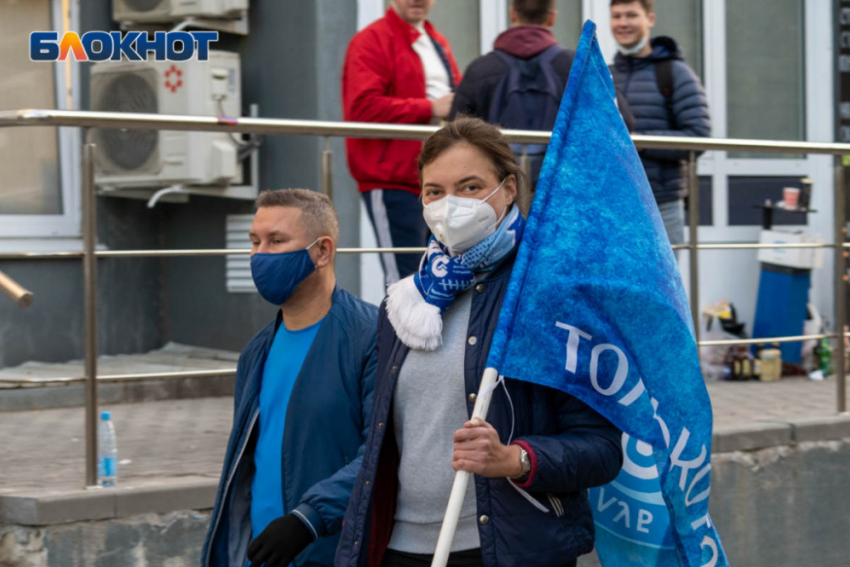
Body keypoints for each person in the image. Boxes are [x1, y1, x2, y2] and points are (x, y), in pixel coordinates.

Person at [335, 117, 623, 567]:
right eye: (435, 191)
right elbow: (378, 444)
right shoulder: (405, 303)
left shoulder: (550, 296)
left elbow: (601, 450)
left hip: (500, 548)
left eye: (470, 187)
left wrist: (515, 459)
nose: (450, 204)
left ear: (508, 188)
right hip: (397, 549)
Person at [201, 189, 378, 567]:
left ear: (323, 251)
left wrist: (307, 519)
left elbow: (383, 453)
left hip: (329, 552)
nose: (260, 254)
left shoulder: (372, 338)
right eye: (254, 241)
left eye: (276, 241)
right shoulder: (256, 351)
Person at [343, 0, 462, 285]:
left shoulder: (435, 39)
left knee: (436, 279)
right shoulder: (371, 40)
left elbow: (455, 100)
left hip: (437, 180)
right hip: (393, 180)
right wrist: (430, 108)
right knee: (404, 283)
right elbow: (362, 107)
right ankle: (396, 333)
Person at [608, 0, 711, 254]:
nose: (623, 23)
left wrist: (638, 142)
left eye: (631, 15)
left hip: (661, 205)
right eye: (617, 16)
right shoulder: (605, 74)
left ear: (650, 19)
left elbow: (698, 137)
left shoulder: (675, 73)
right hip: (612, 204)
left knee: (664, 292)